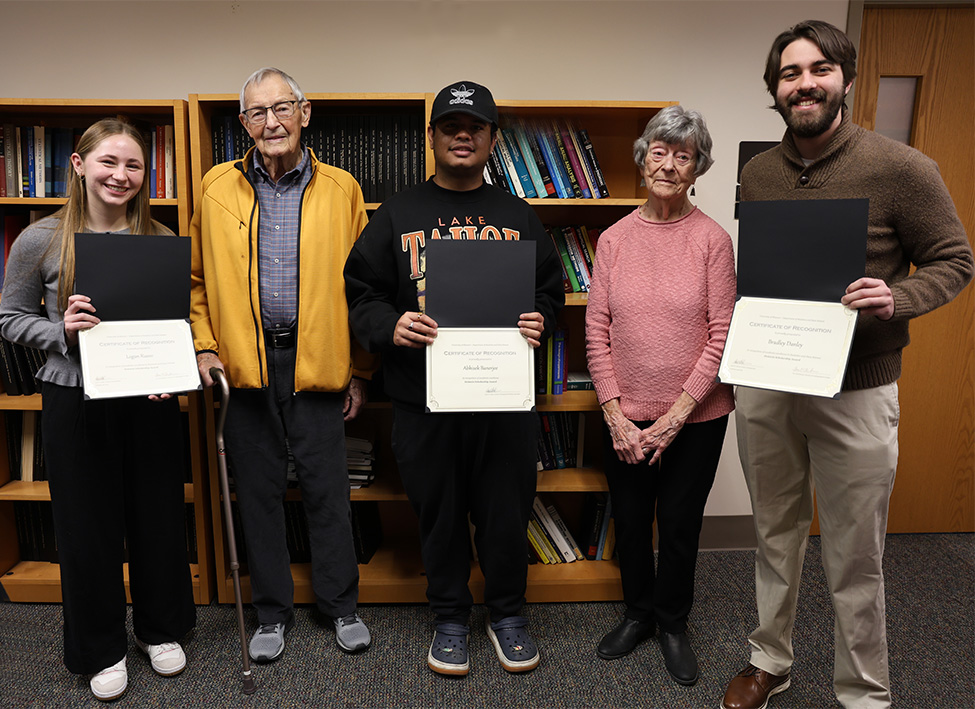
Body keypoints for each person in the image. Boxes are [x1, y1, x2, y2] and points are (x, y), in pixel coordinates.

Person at [721, 20, 974, 709]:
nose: (803, 83)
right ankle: (769, 658)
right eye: (788, 73)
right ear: (774, 89)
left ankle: (862, 690)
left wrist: (895, 296)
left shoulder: (902, 168)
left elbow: (954, 261)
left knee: (853, 553)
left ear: (845, 79)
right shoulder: (758, 172)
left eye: (818, 69)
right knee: (772, 532)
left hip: (856, 390)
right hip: (769, 384)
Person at [344, 80, 564, 677]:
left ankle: (508, 614)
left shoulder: (519, 215)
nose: (462, 135)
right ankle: (449, 616)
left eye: (475, 127)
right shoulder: (398, 213)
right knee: (437, 513)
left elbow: (551, 288)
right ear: (434, 137)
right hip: (424, 399)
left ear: (492, 139)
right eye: (450, 126)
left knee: (503, 510)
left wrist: (539, 315)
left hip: (503, 399)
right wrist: (391, 324)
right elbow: (359, 291)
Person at [0, 118, 196, 701]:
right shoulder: (41, 238)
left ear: (145, 174)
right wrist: (61, 328)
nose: (121, 175)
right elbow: (9, 318)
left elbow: (175, 323)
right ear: (80, 165)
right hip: (75, 395)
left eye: (133, 165)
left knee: (158, 516)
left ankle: (160, 631)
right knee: (86, 527)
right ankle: (101, 646)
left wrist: (170, 370)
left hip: (149, 399)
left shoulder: (160, 240)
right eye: (109, 162)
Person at [190, 67, 375, 663]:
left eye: (281, 108)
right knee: (260, 493)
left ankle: (340, 606)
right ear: (243, 123)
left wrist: (361, 370)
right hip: (245, 364)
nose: (271, 122)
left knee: (327, 492)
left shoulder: (343, 189)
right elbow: (195, 282)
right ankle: (270, 613)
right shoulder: (215, 186)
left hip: (318, 358)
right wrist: (203, 345)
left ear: (305, 111)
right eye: (256, 113)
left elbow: (365, 287)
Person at [585, 106, 735, 686]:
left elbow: (721, 335)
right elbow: (596, 328)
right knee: (629, 515)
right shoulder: (614, 239)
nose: (669, 165)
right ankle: (637, 614)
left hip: (696, 418)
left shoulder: (713, 241)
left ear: (697, 167)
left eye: (684, 155)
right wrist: (615, 412)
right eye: (660, 152)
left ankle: (673, 622)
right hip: (624, 413)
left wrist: (675, 416)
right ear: (643, 157)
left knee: (677, 524)